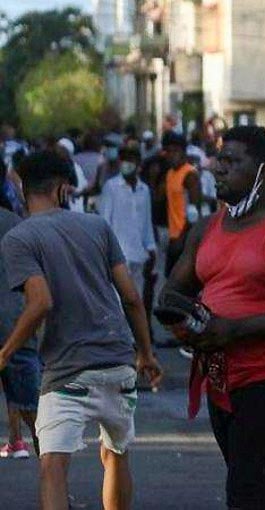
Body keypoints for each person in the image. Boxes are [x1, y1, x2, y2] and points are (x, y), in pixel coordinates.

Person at [161, 125, 265, 509]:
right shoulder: (206, 228)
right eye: (220, 159)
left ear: (264, 171)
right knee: (260, 489)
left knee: (249, 492)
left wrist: (232, 329)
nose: (218, 169)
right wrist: (186, 324)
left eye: (232, 161)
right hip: (220, 376)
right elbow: (173, 292)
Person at [0, 150, 162, 510]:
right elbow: (132, 297)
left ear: (23, 189)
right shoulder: (96, 226)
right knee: (115, 454)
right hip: (118, 363)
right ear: (62, 189)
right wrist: (146, 353)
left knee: (53, 466)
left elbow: (40, 302)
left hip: (66, 371)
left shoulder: (20, 237)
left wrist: (5, 353)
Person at [0, 206, 40, 459]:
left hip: (14, 323)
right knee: (35, 414)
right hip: (16, 324)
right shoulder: (17, 223)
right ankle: (57, 493)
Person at [98, 147, 158, 297]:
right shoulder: (111, 187)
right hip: (118, 254)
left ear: (138, 164)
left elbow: (146, 223)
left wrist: (150, 247)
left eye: (130, 160)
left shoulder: (144, 190)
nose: (126, 164)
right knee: (118, 300)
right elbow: (104, 221)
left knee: (136, 298)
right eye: (123, 160)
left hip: (139, 253)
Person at [162, 131, 201, 277]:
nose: (171, 155)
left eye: (175, 151)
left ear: (183, 152)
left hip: (184, 239)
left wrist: (182, 239)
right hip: (173, 235)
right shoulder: (170, 173)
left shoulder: (190, 175)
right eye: (168, 151)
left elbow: (194, 213)